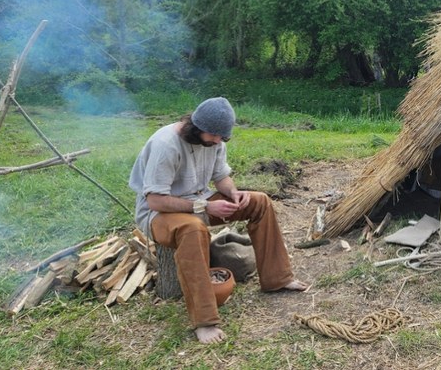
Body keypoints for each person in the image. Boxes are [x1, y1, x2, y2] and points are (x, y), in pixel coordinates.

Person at [129, 97, 309, 344]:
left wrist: (234, 193)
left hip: (198, 199)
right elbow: (156, 201)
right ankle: (204, 321)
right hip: (159, 214)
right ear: (196, 126)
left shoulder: (214, 141)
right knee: (193, 229)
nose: (216, 141)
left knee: (260, 202)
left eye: (221, 138)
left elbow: (221, 176)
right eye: (212, 135)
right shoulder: (166, 144)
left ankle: (278, 279)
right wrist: (205, 205)